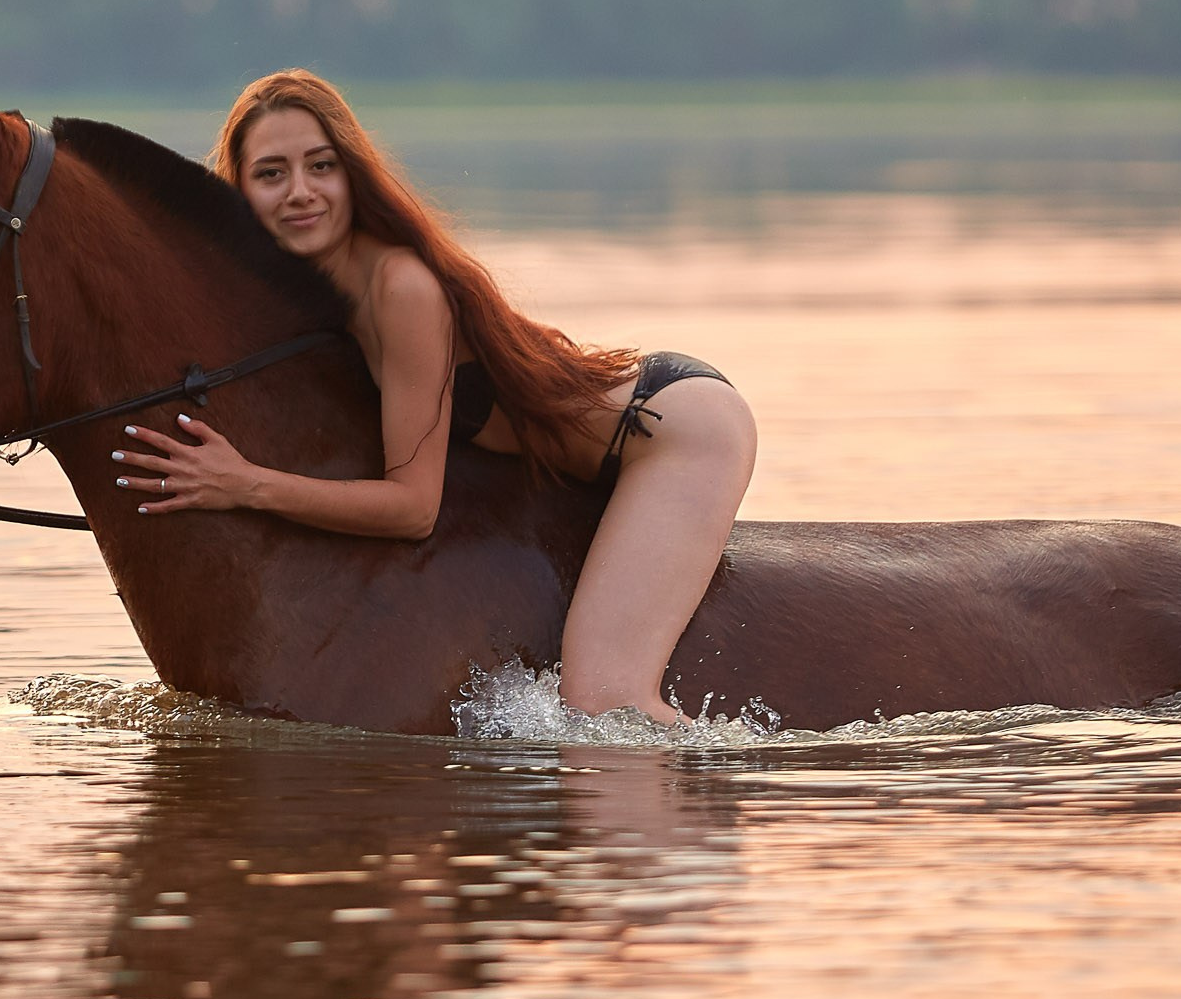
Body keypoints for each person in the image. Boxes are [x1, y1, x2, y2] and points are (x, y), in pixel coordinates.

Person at [106, 71, 756, 725]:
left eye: (321, 166)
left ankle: (729, 806)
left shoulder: (401, 286)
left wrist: (246, 485)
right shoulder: (302, 302)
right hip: (607, 452)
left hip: (674, 431)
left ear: (352, 175)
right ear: (240, 191)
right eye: (271, 174)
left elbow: (413, 507)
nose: (300, 192)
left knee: (602, 701)